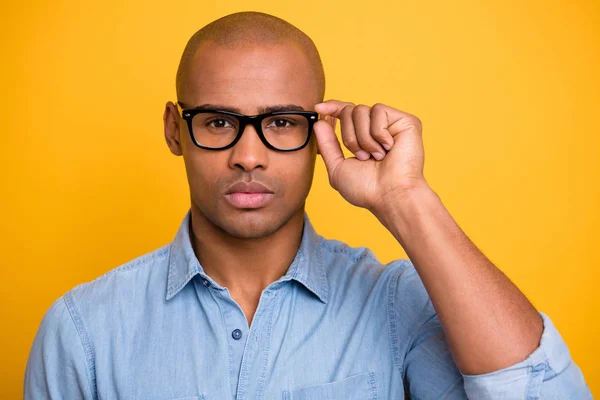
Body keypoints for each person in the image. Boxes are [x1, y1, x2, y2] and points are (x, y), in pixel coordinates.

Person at [25, 11, 592, 400]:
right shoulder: (83, 331)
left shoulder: (398, 306)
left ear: (322, 134)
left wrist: (406, 199)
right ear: (176, 129)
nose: (249, 156)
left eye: (280, 123)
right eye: (219, 122)